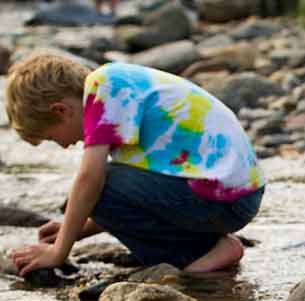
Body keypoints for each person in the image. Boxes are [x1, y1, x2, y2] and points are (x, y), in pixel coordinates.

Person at [7, 53, 265, 275]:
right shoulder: (119, 90)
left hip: (222, 199)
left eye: (52, 137)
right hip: (235, 196)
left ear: (61, 111)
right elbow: (137, 198)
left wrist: (58, 251)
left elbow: (91, 180)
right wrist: (75, 230)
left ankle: (199, 255)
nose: (63, 146)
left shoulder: (103, 88)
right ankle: (208, 246)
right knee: (89, 198)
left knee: (96, 186)